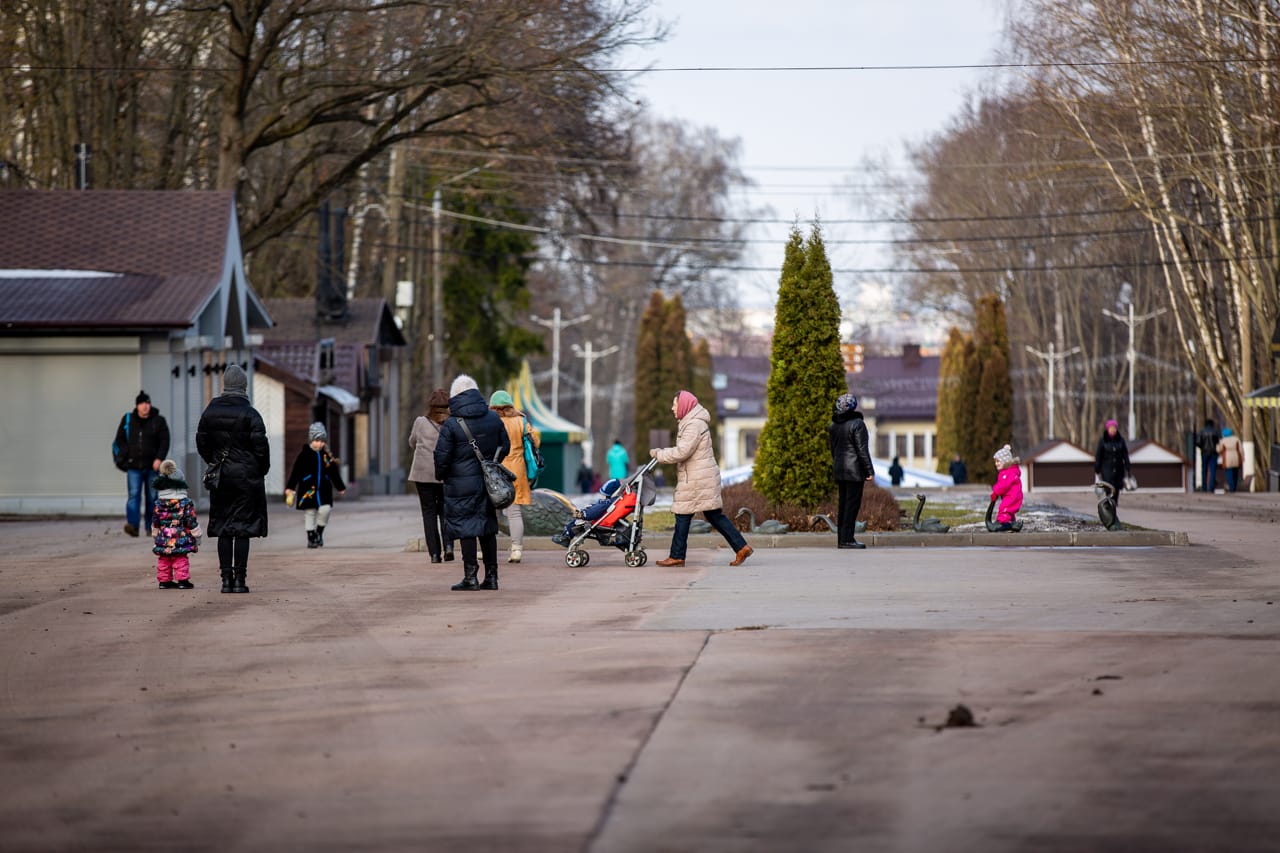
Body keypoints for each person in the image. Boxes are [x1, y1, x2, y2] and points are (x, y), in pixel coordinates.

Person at [649, 390, 752, 567]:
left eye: (675, 404)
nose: (672, 408)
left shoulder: (693, 425)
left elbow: (682, 452)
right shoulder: (691, 422)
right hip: (700, 477)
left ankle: (677, 556)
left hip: (697, 479)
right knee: (714, 516)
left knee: (683, 515)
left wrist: (659, 454)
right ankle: (741, 547)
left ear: (684, 406)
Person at [196, 364, 270, 594]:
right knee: (242, 528)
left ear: (226, 385)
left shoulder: (210, 411)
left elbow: (202, 442)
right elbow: (261, 448)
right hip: (247, 479)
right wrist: (260, 469)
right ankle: (240, 580)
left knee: (224, 527)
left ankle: (225, 580)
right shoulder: (251, 414)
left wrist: (215, 461)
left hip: (222, 478)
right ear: (244, 386)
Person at [434, 374, 510, 591]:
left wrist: (442, 474)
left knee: (466, 527)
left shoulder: (452, 423)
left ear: (455, 396)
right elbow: (505, 446)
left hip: (460, 484)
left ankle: (470, 577)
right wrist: (492, 465)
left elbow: (442, 456)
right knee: (487, 527)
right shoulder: (493, 418)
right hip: (488, 484)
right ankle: (492, 577)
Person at [490, 389, 541, 564]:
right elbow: (536, 441)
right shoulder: (521, 420)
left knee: (491, 511)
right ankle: (517, 549)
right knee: (514, 512)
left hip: (495, 470)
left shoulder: (491, 421)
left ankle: (485, 549)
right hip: (517, 469)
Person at [114, 390, 170, 538]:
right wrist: (126, 454)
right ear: (137, 405)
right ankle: (133, 526)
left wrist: (159, 458)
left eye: (147, 403)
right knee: (133, 496)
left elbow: (165, 441)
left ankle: (151, 527)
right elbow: (119, 439)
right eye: (142, 403)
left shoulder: (159, 421)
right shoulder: (128, 420)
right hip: (133, 467)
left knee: (152, 497)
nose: (145, 406)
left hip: (152, 467)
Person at [408, 389, 454, 564]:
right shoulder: (451, 423)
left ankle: (435, 554)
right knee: (445, 512)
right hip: (444, 474)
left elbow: (412, 441)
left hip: (422, 474)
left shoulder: (420, 422)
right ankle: (448, 546)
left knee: (428, 513)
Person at [285, 422, 346, 549]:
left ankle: (319, 531)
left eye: (322, 441)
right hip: (308, 489)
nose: (320, 444)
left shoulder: (326, 456)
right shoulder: (304, 454)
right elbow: (296, 471)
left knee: (326, 509)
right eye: (317, 440)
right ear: (311, 440)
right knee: (310, 512)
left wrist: (340, 487)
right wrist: (290, 487)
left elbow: (333, 472)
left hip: (324, 488)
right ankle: (311, 537)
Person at [828, 393, 874, 549]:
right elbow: (862, 450)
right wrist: (869, 470)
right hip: (854, 471)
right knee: (852, 505)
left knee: (842, 505)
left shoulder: (833, 426)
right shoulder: (858, 424)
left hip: (839, 469)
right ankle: (848, 540)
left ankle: (842, 539)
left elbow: (833, 450)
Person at [151, 459, 202, 589]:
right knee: (180, 558)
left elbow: (155, 521)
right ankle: (182, 581)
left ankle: (164, 581)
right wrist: (197, 535)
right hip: (181, 536)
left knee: (164, 558)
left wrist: (155, 533)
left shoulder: (158, 502)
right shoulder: (185, 502)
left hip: (163, 537)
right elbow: (191, 520)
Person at [555, 478, 621, 544]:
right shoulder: (612, 501)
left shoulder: (606, 503)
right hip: (598, 518)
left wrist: (583, 514)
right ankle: (564, 535)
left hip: (594, 520)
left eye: (603, 494)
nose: (602, 496)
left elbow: (593, 513)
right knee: (576, 521)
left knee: (576, 522)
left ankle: (566, 537)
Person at [1094, 418, 1131, 507]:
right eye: (1111, 428)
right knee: (1108, 486)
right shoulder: (1103, 441)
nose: (1113, 429)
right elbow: (1099, 455)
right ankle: (1109, 503)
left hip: (1118, 468)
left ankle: (1114, 504)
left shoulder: (1121, 440)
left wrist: (1127, 465)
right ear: (1107, 429)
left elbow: (1125, 454)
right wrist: (1097, 468)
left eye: (1114, 428)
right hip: (1106, 468)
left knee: (1117, 487)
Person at [990, 444, 1024, 532]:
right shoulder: (1007, 472)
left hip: (1012, 496)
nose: (996, 464)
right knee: (1009, 511)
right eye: (995, 461)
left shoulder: (1008, 473)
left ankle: (1002, 524)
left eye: (998, 461)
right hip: (1012, 496)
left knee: (1004, 509)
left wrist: (995, 492)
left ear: (1005, 461)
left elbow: (1003, 485)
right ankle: (1013, 524)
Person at [1196, 418, 1221, 493]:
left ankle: (1204, 488)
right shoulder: (1215, 431)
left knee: (1204, 470)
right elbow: (1219, 441)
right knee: (1213, 470)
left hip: (1204, 452)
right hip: (1213, 453)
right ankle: (1211, 487)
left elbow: (1198, 442)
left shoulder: (1202, 431)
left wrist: (1202, 448)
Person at [1216, 427, 1244, 493]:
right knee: (1235, 472)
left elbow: (1219, 449)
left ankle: (1231, 487)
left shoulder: (1223, 440)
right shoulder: (1236, 439)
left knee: (1229, 473)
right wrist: (1242, 457)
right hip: (1236, 457)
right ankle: (1234, 487)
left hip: (1227, 457)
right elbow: (1241, 449)